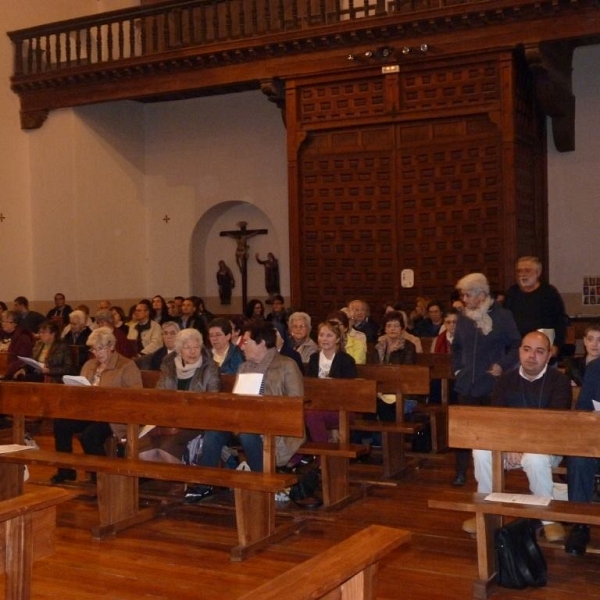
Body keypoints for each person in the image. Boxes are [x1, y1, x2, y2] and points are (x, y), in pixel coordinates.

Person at [462, 331, 572, 541]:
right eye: (527, 349)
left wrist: (521, 446)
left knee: (534, 458)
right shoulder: (505, 380)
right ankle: (485, 512)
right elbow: (497, 419)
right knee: (481, 452)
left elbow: (553, 425)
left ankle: (548, 518)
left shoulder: (559, 381)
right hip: (508, 444)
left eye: (539, 351)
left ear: (549, 355)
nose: (532, 356)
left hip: (547, 446)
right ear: (520, 351)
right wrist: (508, 445)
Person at [185, 321, 304, 503]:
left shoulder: (287, 365)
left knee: (249, 434)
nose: (242, 347)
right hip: (244, 421)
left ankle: (263, 483)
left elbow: (296, 403)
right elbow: (236, 400)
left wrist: (265, 409)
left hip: (277, 425)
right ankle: (204, 484)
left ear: (262, 343)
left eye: (247, 342)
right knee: (214, 431)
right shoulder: (244, 367)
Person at [451, 273, 521, 487]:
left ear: (482, 295)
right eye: (463, 295)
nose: (464, 299)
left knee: (492, 431)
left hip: (492, 383)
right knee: (464, 431)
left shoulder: (503, 316)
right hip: (466, 383)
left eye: (467, 295)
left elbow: (517, 344)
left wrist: (503, 364)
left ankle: (496, 471)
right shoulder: (463, 317)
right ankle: (461, 471)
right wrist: (457, 370)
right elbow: (457, 348)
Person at [51, 327, 142, 484]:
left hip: (113, 416)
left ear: (111, 346)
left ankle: (101, 477)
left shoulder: (127, 366)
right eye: (94, 349)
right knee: (61, 423)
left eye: (101, 348)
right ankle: (65, 470)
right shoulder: (89, 365)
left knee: (89, 436)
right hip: (89, 411)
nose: (97, 353)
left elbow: (135, 396)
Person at [139, 328, 221, 464]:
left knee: (166, 448)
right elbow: (159, 394)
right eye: (187, 347)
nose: (193, 351)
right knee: (142, 449)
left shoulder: (210, 368)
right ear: (179, 350)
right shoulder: (169, 366)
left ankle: (178, 483)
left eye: (196, 347)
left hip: (196, 420)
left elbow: (213, 399)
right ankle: (163, 481)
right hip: (169, 418)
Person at [564, 356, 600, 555]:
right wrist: (591, 416)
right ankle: (580, 524)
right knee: (578, 457)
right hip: (597, 440)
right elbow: (583, 407)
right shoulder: (596, 367)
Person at [504, 256, 568, 359]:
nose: (523, 274)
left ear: (538, 273)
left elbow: (560, 321)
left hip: (542, 349)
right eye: (519, 271)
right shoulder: (512, 293)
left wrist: (556, 345)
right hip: (516, 350)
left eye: (527, 270)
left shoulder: (549, 293)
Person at [304, 321, 357, 445]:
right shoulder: (314, 358)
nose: (324, 339)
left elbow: (351, 390)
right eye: (321, 335)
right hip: (317, 405)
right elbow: (309, 385)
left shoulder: (346, 360)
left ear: (338, 339)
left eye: (329, 335)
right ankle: (295, 457)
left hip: (341, 408)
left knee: (312, 416)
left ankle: (323, 458)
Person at [373, 310, 417, 421]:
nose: (392, 329)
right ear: (385, 329)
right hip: (380, 390)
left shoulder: (408, 347)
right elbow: (374, 369)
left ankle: (389, 437)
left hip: (402, 390)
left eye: (396, 326)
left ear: (402, 328)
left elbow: (406, 371)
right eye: (389, 326)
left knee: (385, 407)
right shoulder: (378, 347)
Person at [0, 310, 34, 380]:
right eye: (2, 321)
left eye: (8, 322)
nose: (4, 324)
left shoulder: (23, 337)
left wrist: (8, 370)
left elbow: (24, 359)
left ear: (15, 323)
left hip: (11, 371)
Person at [564, 320, 600, 386]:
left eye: (599, 340)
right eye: (590, 339)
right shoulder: (573, 365)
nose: (594, 344)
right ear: (585, 341)